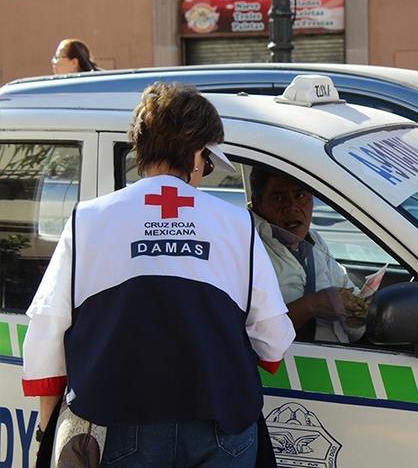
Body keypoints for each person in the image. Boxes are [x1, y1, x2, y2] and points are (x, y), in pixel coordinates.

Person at [21, 82, 295, 466]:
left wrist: (47, 430)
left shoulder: (88, 221)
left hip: (118, 424)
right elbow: (273, 343)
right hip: (221, 425)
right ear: (198, 154)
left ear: (140, 149)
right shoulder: (236, 224)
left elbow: (47, 334)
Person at [249, 166, 368, 343]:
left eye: (300, 196)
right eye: (279, 198)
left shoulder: (314, 241)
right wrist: (310, 306)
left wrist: (355, 313)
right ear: (257, 203)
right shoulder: (248, 248)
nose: (291, 207)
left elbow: (346, 289)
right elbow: (253, 336)